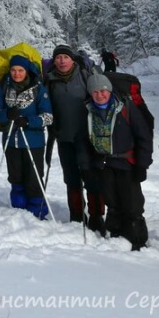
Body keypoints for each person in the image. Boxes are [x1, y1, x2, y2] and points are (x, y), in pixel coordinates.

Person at [77, 74, 152, 250]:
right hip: (103, 164)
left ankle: (137, 241)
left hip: (128, 164)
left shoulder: (125, 107)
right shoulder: (87, 111)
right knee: (112, 203)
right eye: (95, 92)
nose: (100, 95)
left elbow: (143, 136)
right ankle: (116, 238)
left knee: (132, 204)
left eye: (103, 90)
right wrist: (86, 164)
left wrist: (143, 164)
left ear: (109, 90)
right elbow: (82, 140)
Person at [43, 44, 101, 227]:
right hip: (63, 136)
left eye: (65, 57)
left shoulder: (85, 75)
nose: (61, 61)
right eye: (58, 58)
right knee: (71, 177)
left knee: (91, 176)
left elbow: (100, 99)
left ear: (72, 59)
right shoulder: (50, 79)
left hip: (87, 136)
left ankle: (96, 216)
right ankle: (76, 215)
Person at [0, 55, 53, 219]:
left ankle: (37, 213)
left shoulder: (38, 88)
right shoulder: (4, 85)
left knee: (34, 179)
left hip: (34, 142)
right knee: (16, 178)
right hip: (11, 141)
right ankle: (19, 212)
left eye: (20, 70)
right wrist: (6, 114)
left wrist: (28, 121)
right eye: (13, 70)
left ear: (27, 71)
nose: (16, 74)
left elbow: (48, 116)